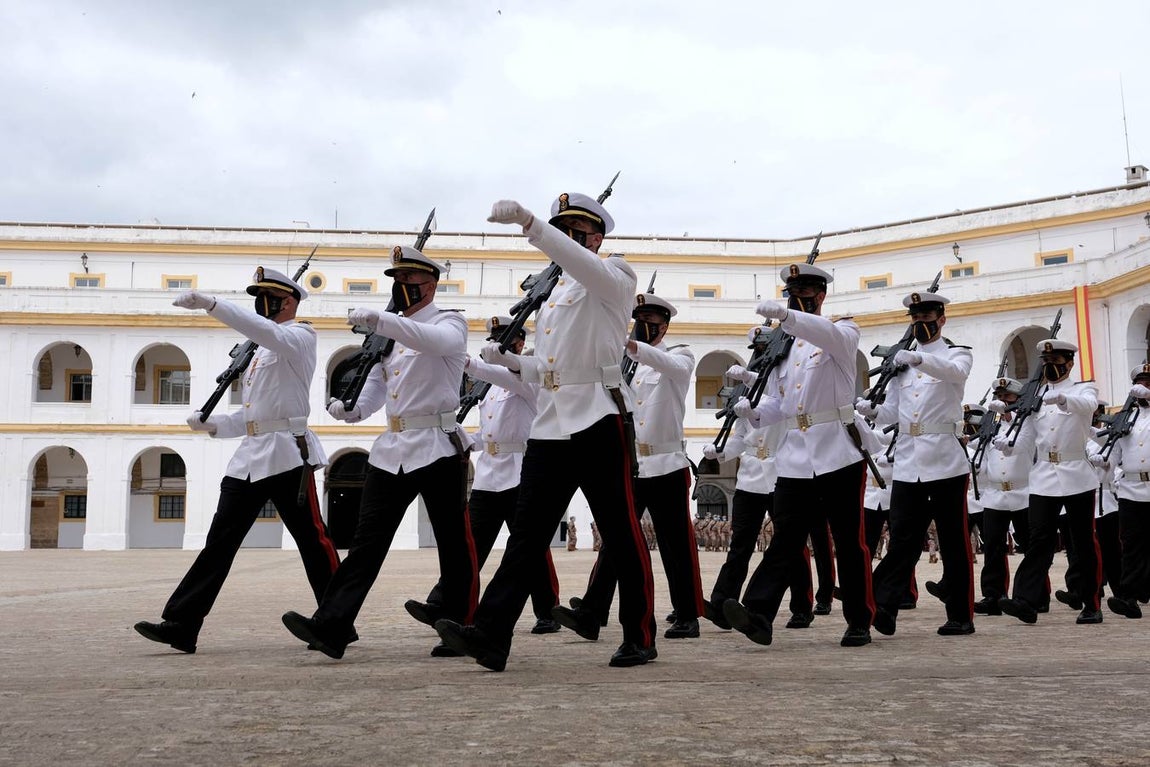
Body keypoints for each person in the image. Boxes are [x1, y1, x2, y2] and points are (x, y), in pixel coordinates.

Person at [435, 193, 657, 670]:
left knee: (620, 533)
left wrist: (534, 224)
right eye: (563, 229)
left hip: (600, 417)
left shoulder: (615, 276)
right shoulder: (554, 297)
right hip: (552, 423)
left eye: (578, 231)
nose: (570, 239)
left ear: (597, 238)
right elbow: (552, 366)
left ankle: (639, 634)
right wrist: (514, 362)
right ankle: (491, 635)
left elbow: (580, 263)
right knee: (527, 537)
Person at [281, 246, 479, 658]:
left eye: (410, 280)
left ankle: (459, 625)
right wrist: (351, 409)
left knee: (453, 543)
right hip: (392, 450)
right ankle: (332, 625)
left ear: (430, 284)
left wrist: (383, 320)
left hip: (438, 447)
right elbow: (376, 387)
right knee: (366, 542)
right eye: (397, 280)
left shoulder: (450, 322)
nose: (402, 287)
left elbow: (433, 341)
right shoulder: (389, 337)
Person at [134, 268, 339, 653]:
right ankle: (182, 623)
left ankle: (336, 621)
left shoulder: (299, 336)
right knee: (219, 542)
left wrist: (213, 304)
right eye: (259, 298)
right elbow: (255, 415)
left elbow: (269, 335)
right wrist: (215, 424)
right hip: (249, 457)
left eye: (270, 298)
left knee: (313, 540)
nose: (263, 305)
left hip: (288, 454)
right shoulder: (258, 352)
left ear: (290, 301)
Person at [721, 262, 877, 648]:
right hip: (794, 456)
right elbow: (779, 403)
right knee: (786, 538)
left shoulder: (843, 330)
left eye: (807, 293)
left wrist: (788, 317)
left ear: (821, 296)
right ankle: (758, 614)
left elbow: (822, 332)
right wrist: (754, 413)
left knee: (847, 540)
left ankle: (859, 618)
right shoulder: (783, 350)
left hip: (838, 451)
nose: (800, 298)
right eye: (793, 293)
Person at [553, 293, 705, 640]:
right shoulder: (627, 368)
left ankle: (687, 614)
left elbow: (676, 369)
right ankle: (592, 612)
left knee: (676, 544)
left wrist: (632, 346)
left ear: (664, 325)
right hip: (633, 465)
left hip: (667, 463)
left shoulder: (678, 355)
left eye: (650, 319)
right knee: (616, 541)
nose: (643, 325)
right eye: (638, 318)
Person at [420, 317, 561, 655]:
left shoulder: (526, 380)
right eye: (494, 340)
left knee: (529, 548)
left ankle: (547, 609)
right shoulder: (490, 392)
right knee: (472, 547)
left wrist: (469, 362)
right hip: (489, 474)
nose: (496, 345)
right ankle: (447, 604)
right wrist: (466, 438)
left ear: (518, 346)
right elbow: (490, 434)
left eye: (504, 340)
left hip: (519, 472)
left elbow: (500, 374)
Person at [858, 288, 975, 638]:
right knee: (903, 541)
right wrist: (874, 411)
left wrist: (918, 359)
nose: (921, 324)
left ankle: (960, 615)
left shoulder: (957, 354)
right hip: (909, 460)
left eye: (927, 318)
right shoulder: (901, 363)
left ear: (941, 319)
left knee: (954, 543)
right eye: (916, 319)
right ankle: (886, 608)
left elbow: (955, 374)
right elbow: (894, 410)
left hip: (945, 460)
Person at [997, 339, 1103, 625]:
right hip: (1044, 475)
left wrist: (1064, 399)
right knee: (1038, 540)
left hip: (1076, 472)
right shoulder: (1036, 395)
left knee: (1082, 542)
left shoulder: (1083, 388)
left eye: (1056, 362)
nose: (1050, 367)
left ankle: (1091, 602)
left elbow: (1089, 405)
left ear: (1069, 363)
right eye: (1046, 363)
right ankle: (1025, 600)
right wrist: (1011, 445)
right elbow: (1029, 436)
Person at [972, 377, 1030, 615]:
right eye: (999, 397)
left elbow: (1024, 446)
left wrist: (1008, 416)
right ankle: (993, 595)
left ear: (1018, 400)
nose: (1002, 401)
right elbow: (984, 457)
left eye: (1008, 397)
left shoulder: (1026, 423)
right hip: (995, 494)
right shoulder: (990, 426)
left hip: (1022, 492)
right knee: (993, 548)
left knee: (1030, 546)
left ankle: (1034, 594)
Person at [1101, 365, 1150, 618]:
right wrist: (1104, 462)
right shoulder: (1126, 417)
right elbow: (1116, 453)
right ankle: (1128, 597)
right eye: (1140, 383)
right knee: (1131, 544)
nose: (1144, 388)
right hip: (1131, 488)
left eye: (1149, 384)